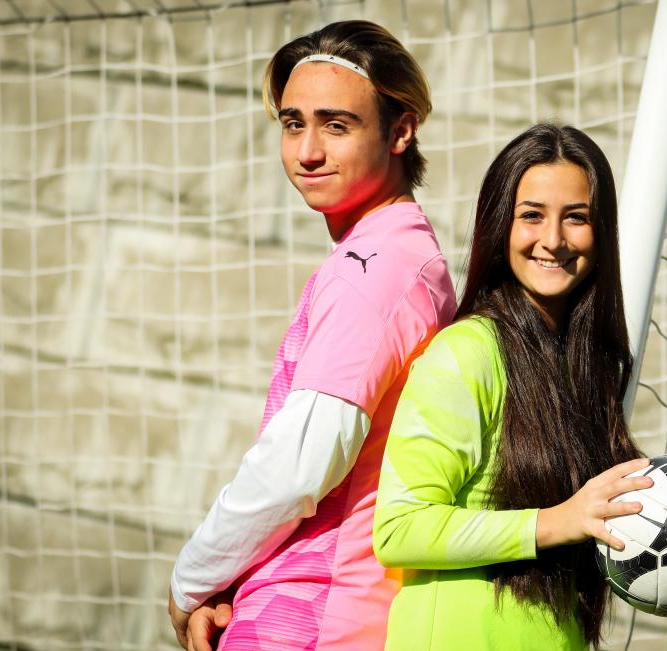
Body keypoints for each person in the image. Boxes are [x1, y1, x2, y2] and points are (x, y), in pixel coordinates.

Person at [167, 20, 457, 651]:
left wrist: (191, 580)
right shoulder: (400, 255)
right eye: (293, 123)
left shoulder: (374, 271)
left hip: (314, 617)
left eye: (336, 124)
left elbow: (300, 465)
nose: (307, 151)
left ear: (401, 130)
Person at [372, 124, 654, 650]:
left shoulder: (590, 365)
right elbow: (398, 528)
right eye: (531, 215)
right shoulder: (468, 352)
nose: (553, 239)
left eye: (576, 217)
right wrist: (556, 522)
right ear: (500, 224)